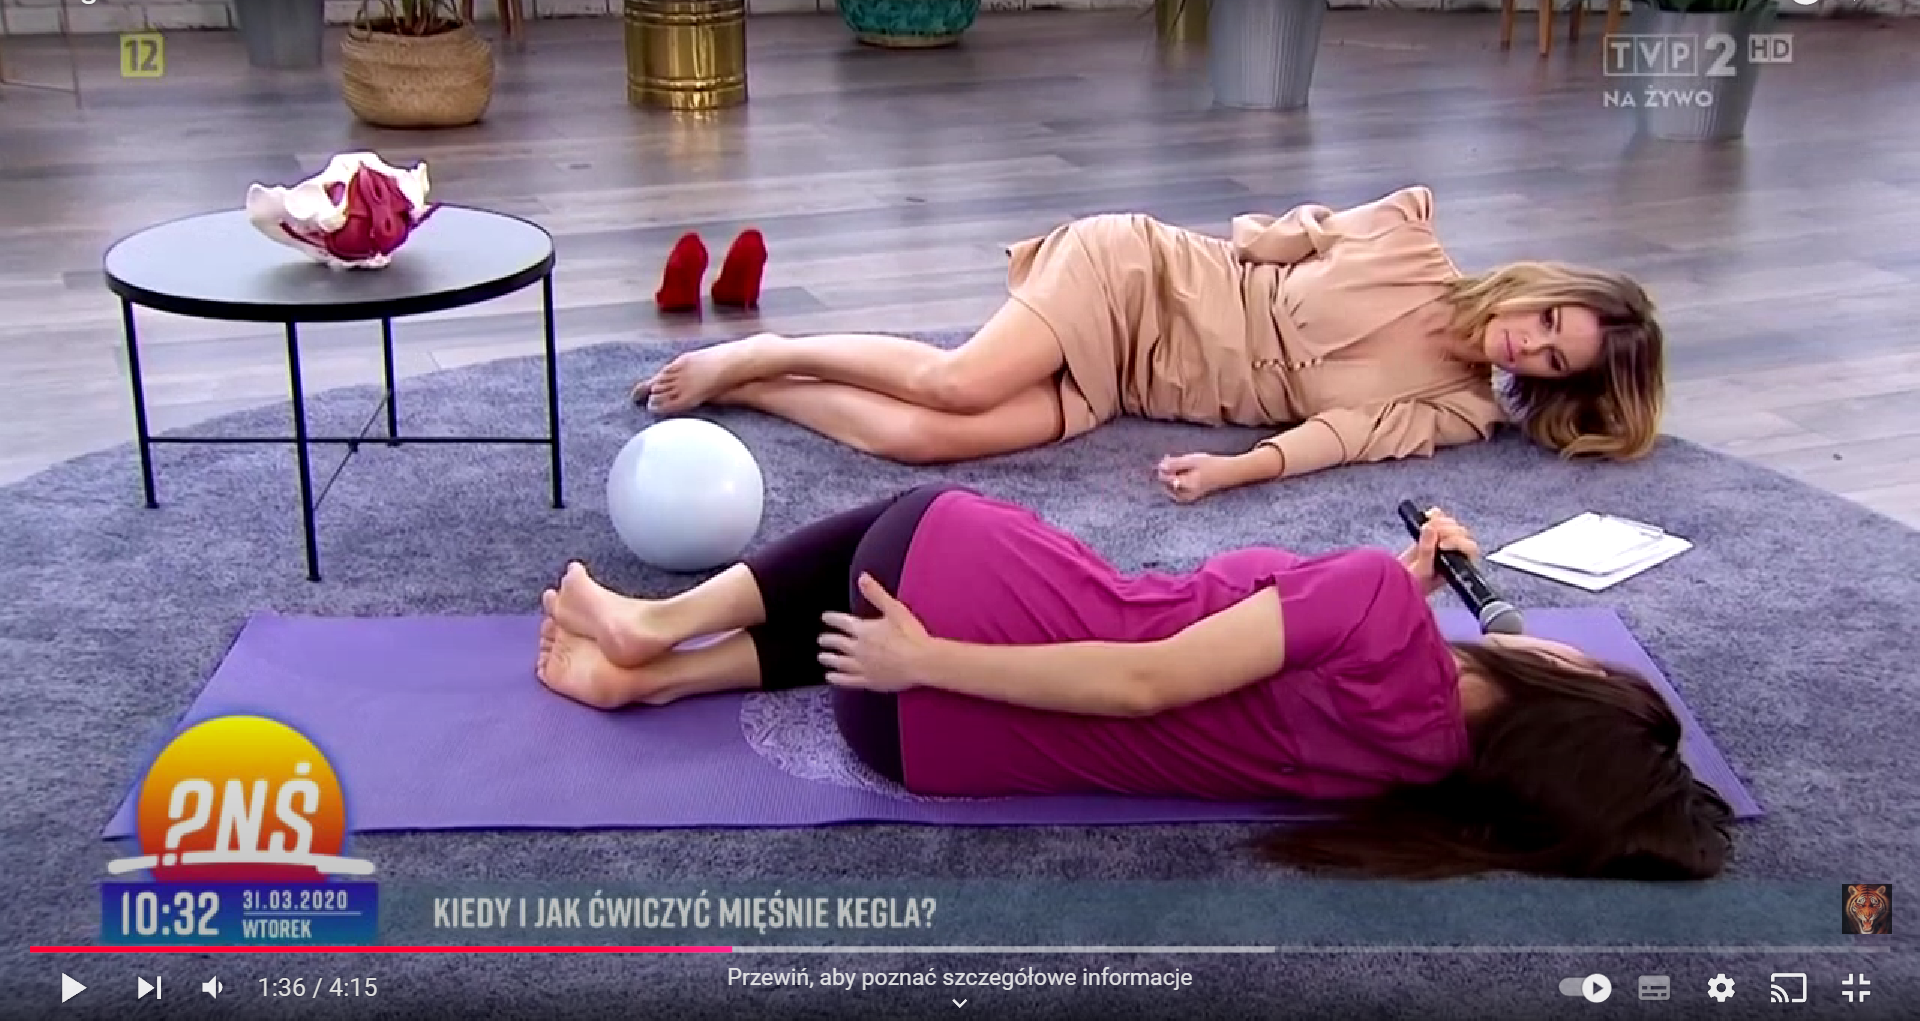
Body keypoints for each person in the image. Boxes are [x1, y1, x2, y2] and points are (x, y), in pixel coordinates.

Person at [535, 484, 1731, 880]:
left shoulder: (1371, 602)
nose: (1577, 648)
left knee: (911, 525)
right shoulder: (1421, 775)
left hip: (947, 650)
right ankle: (654, 682)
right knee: (877, 610)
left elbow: (1148, 682)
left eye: (1587, 666)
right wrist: (1413, 595)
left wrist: (927, 661)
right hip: (916, 748)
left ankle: (657, 625)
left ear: (1561, 687)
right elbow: (1338, 682)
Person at [634, 186, 1664, 503]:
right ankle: (763, 350)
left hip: (1141, 383)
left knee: (922, 442)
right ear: (1543, 285)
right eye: (1548, 320)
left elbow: (1342, 439)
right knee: (956, 383)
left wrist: (1235, 470)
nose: (1527, 343)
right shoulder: (1407, 230)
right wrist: (1296, 237)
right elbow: (1266, 238)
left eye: (1552, 361)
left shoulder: (1462, 410)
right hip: (1145, 275)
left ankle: (756, 391)